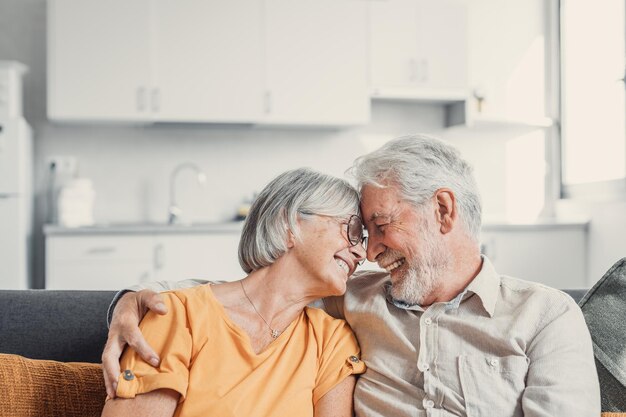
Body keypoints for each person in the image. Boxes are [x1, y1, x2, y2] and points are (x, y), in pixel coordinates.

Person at [104, 134, 601, 416]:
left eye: (378, 228)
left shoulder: (546, 317)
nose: (369, 253)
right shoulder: (354, 302)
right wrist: (135, 299)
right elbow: (238, 298)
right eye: (359, 232)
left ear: (443, 211)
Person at [101, 168, 367, 417]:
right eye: (351, 230)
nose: (361, 252)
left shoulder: (332, 341)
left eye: (363, 239)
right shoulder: (177, 316)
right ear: (288, 225)